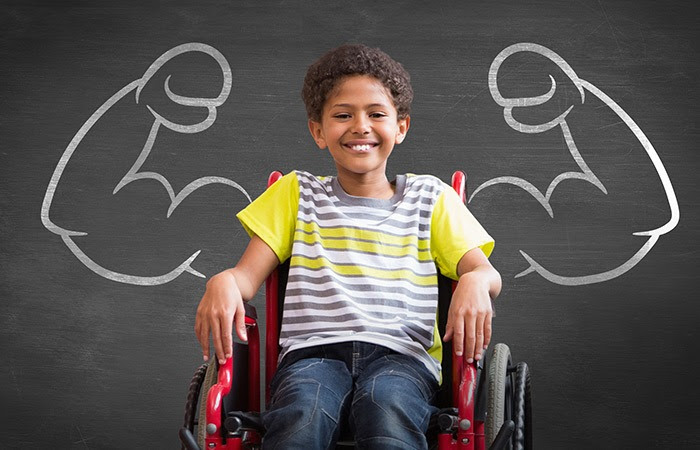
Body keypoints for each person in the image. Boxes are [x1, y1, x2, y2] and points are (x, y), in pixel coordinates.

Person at [195, 43, 501, 450]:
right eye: (343, 115)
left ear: (401, 127)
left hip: (402, 358)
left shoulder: (432, 198)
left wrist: (476, 281)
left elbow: (485, 271)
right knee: (303, 412)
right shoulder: (296, 194)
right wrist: (222, 281)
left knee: (387, 405)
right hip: (312, 356)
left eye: (376, 114)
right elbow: (244, 279)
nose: (360, 126)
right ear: (318, 131)